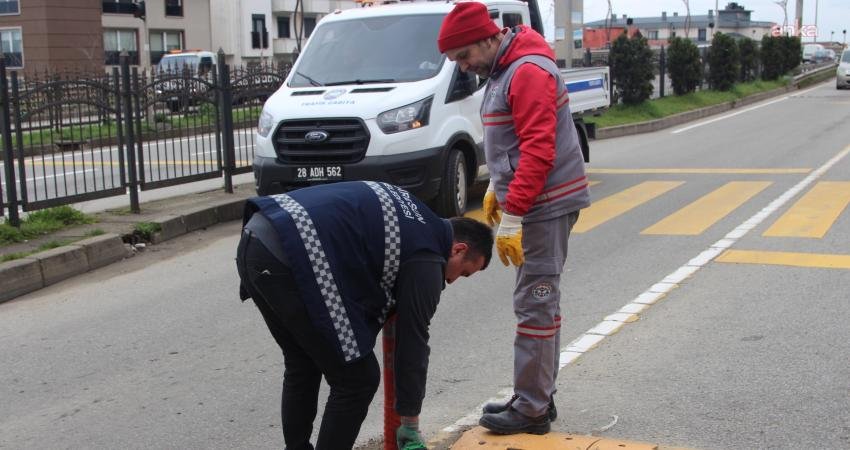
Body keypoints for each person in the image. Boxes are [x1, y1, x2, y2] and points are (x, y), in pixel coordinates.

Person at [235, 181, 493, 449]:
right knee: (357, 380)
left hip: (257, 237)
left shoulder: (416, 216)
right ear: (459, 249)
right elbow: (412, 341)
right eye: (463, 272)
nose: (452, 281)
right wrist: (410, 422)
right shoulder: (427, 256)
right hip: (289, 254)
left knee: (302, 362)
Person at [437, 2, 591, 435]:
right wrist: (496, 187)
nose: (463, 66)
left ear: (488, 38)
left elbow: (538, 150)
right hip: (538, 202)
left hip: (544, 205)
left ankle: (532, 409)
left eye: (464, 55)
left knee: (535, 304)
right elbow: (514, 142)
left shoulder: (525, 71)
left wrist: (514, 214)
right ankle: (536, 395)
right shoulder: (505, 68)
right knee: (538, 303)